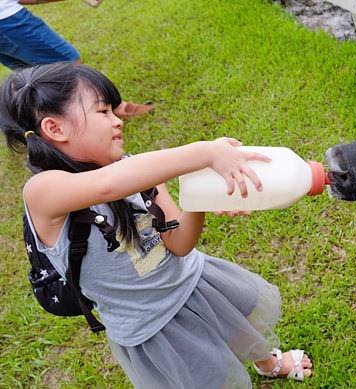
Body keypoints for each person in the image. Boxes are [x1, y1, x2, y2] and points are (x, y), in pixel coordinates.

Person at [0, 63, 313, 387]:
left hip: (192, 282)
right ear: (55, 128)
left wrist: (199, 201)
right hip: (151, 324)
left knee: (236, 324)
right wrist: (205, 152)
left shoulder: (137, 173)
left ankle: (267, 362)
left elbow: (179, 244)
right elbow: (108, 186)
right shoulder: (43, 192)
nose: (117, 120)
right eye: (103, 111)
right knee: (208, 376)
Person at [0, 0, 151, 117]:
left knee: (34, 76)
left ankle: (54, 124)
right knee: (70, 64)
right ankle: (114, 108)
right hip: (5, 19)